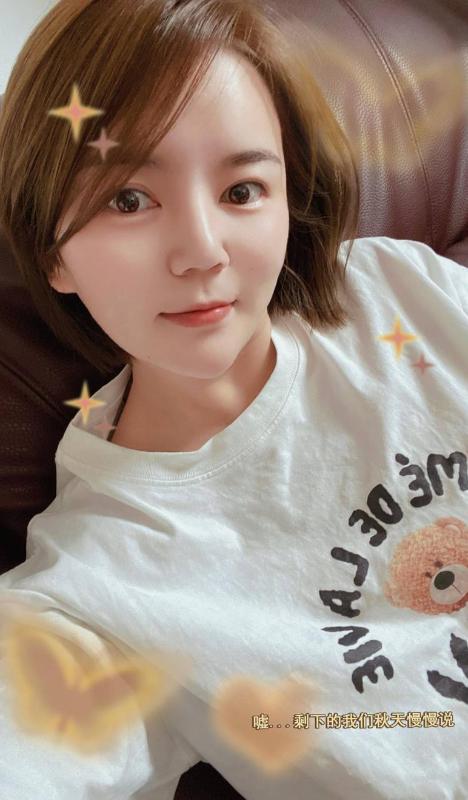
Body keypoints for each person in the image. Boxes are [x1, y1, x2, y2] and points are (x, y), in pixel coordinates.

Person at [0, 0, 467, 798]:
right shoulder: (95, 589)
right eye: (128, 199)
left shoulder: (400, 291)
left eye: (243, 190)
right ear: (53, 250)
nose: (203, 252)